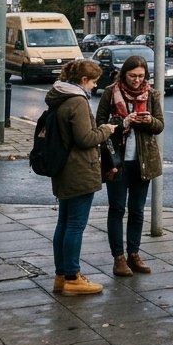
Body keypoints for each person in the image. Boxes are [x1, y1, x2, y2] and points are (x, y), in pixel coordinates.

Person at [48, 59, 117, 296]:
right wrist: (106, 130)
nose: (95, 86)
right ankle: (72, 277)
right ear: (83, 80)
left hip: (64, 168)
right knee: (75, 225)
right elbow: (85, 138)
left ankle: (61, 275)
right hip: (78, 169)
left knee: (64, 223)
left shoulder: (60, 96)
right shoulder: (77, 101)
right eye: (94, 81)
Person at [95, 55, 164, 279]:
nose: (137, 80)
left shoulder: (151, 94)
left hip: (143, 161)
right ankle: (118, 258)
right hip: (117, 160)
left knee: (137, 209)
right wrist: (122, 122)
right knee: (117, 208)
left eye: (141, 76)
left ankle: (134, 253)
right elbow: (99, 124)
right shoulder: (110, 92)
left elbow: (160, 125)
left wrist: (149, 121)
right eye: (132, 75)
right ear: (124, 74)